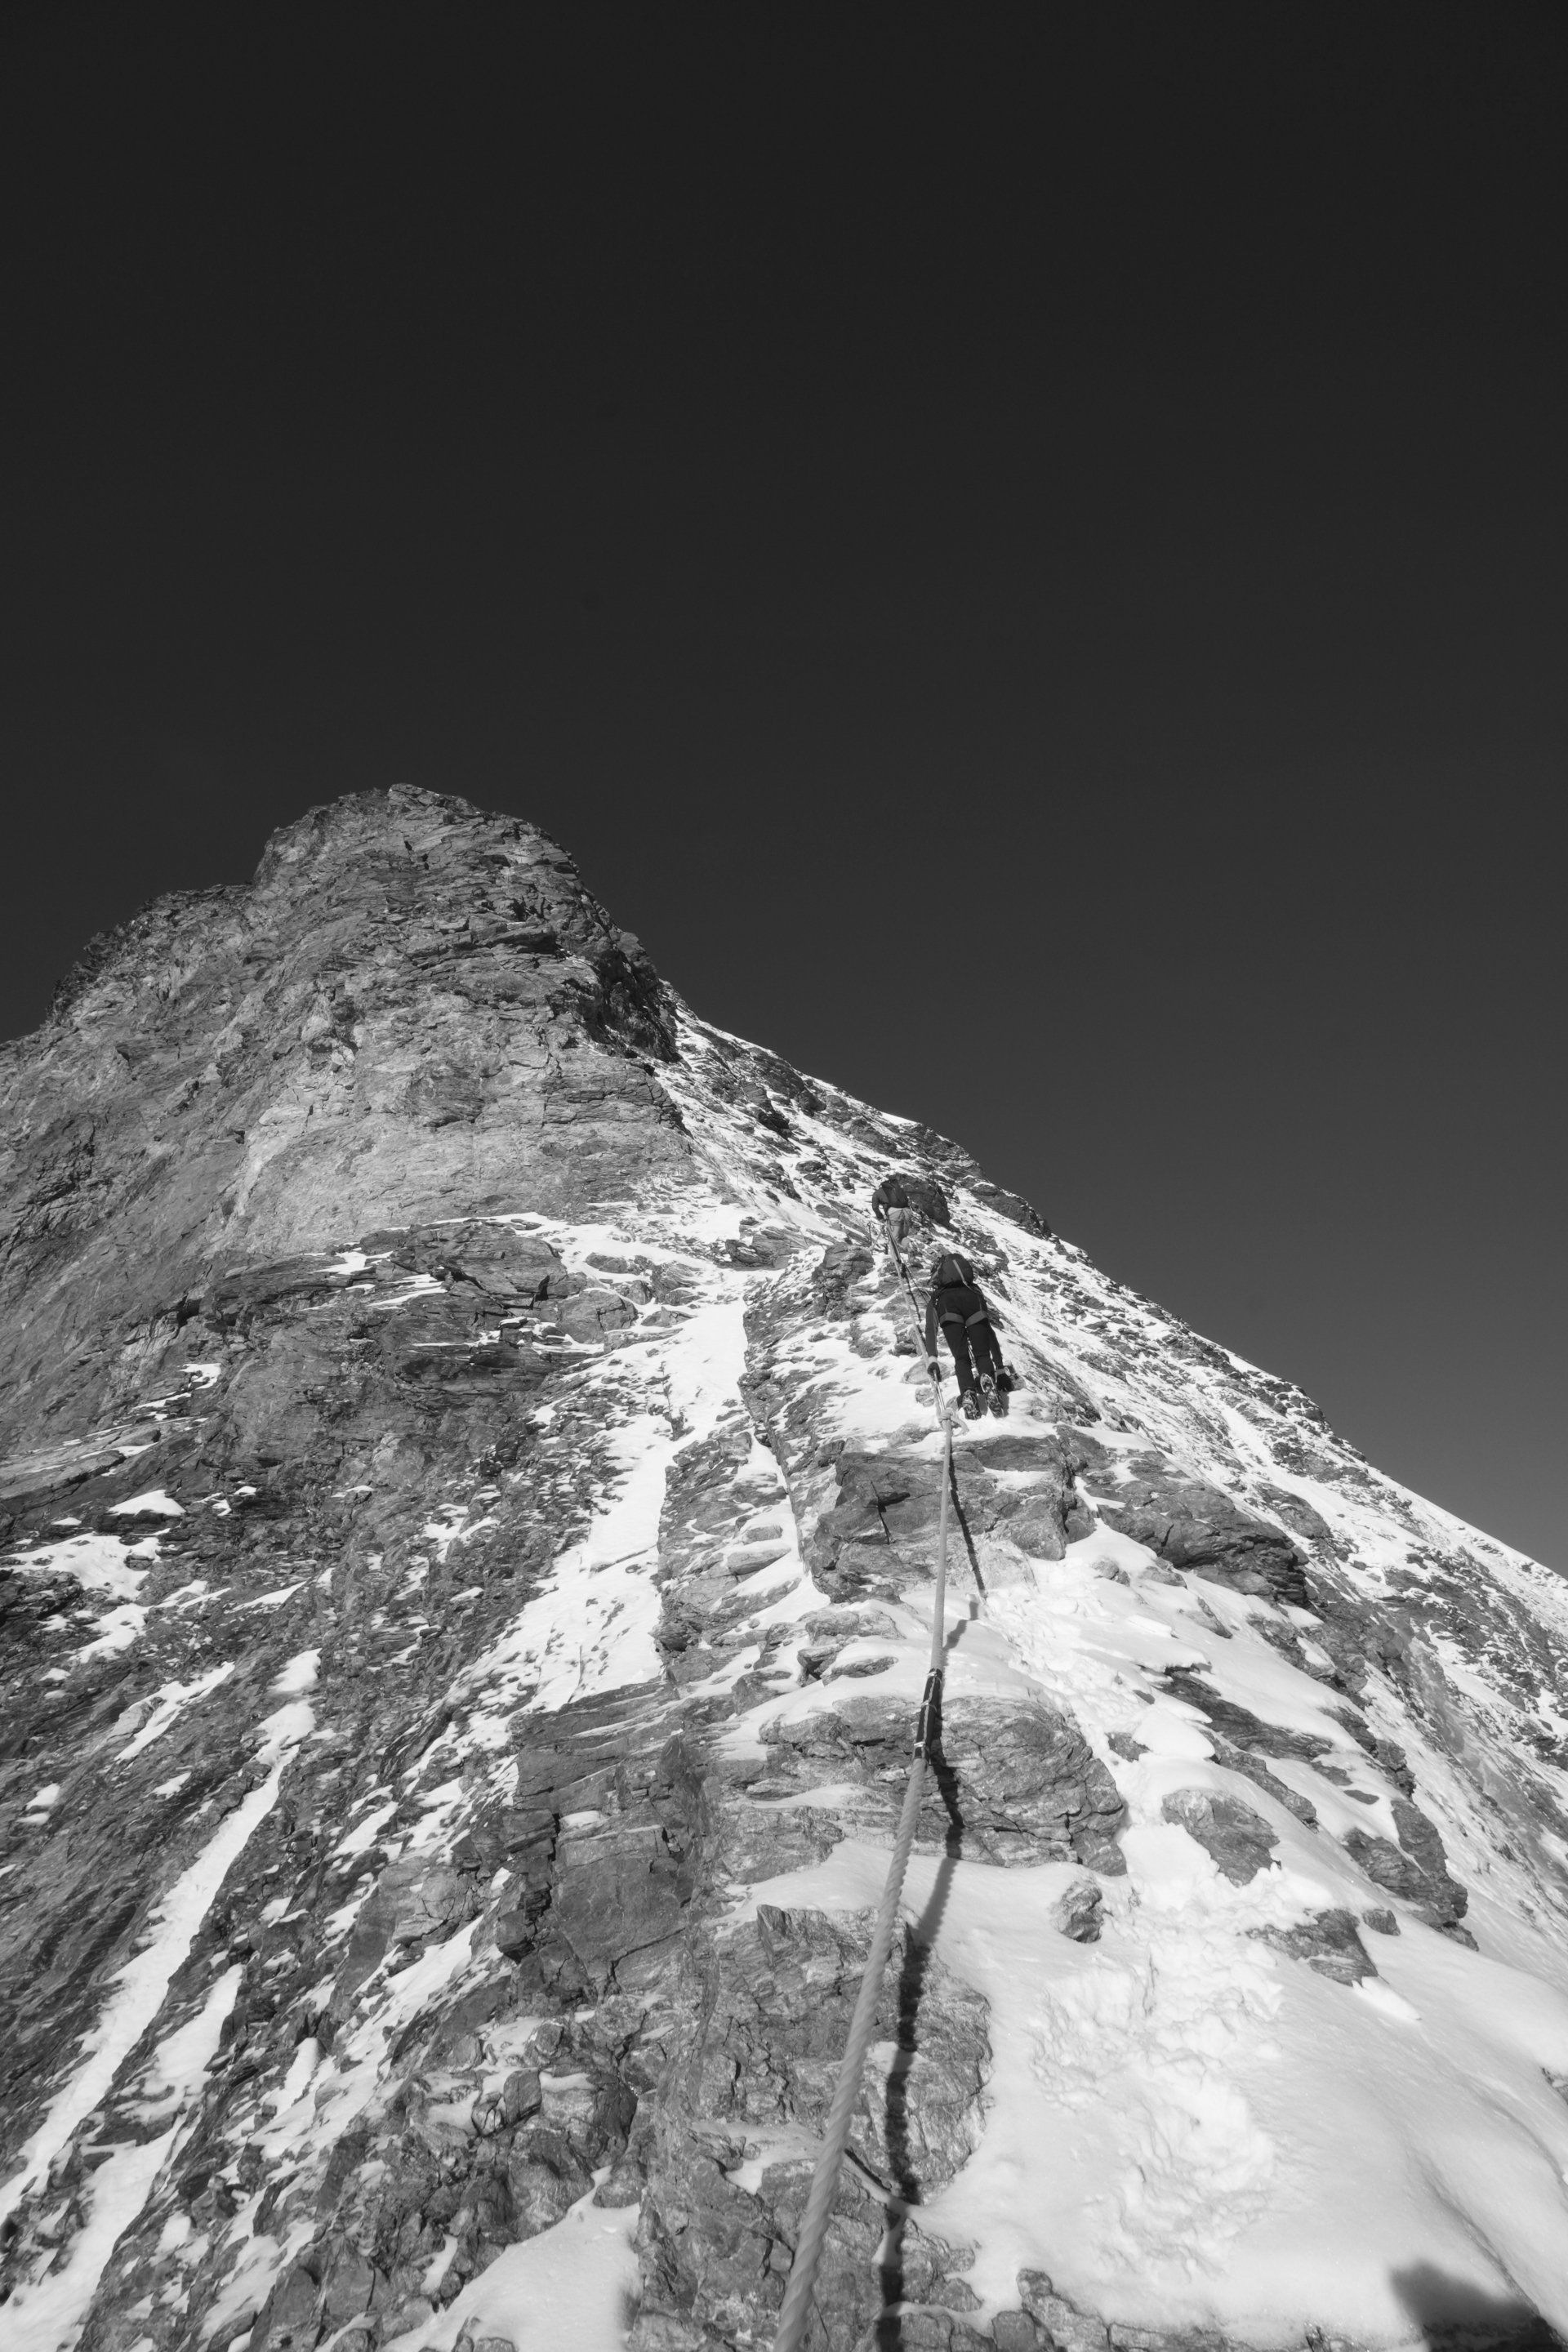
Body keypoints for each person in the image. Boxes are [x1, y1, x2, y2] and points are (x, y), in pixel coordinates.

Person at [924, 1247, 1009, 1419]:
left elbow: (930, 1328)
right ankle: (988, 1379)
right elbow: (989, 1332)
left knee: (961, 1358)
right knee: (982, 1354)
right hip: (972, 1302)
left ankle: (969, 1393)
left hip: (947, 1307)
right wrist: (999, 1368)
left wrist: (932, 1358)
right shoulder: (974, 1289)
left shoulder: (937, 1295)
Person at [870, 1174, 918, 1253]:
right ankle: (909, 1245)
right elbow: (906, 1202)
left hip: (894, 1213)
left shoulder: (877, 1192)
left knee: (894, 1240)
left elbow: (875, 1207)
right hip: (907, 1211)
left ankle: (896, 1262)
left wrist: (881, 1218)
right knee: (902, 1237)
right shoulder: (899, 1190)